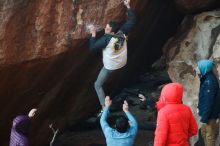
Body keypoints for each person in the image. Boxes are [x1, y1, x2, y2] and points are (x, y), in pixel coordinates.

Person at [89, 0, 136, 114]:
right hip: (122, 62)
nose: (105, 29)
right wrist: (128, 5)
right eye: (106, 27)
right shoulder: (122, 32)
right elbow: (132, 20)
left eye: (107, 29)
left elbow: (92, 48)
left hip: (110, 66)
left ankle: (104, 107)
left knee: (97, 85)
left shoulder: (106, 40)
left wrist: (93, 35)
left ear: (111, 31)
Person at [197, 59, 220, 146]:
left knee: (209, 136)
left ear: (204, 68)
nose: (196, 69)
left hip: (210, 115)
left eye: (198, 67)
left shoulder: (209, 81)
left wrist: (204, 117)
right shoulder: (207, 78)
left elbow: (208, 101)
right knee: (204, 134)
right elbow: (203, 98)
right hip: (207, 114)